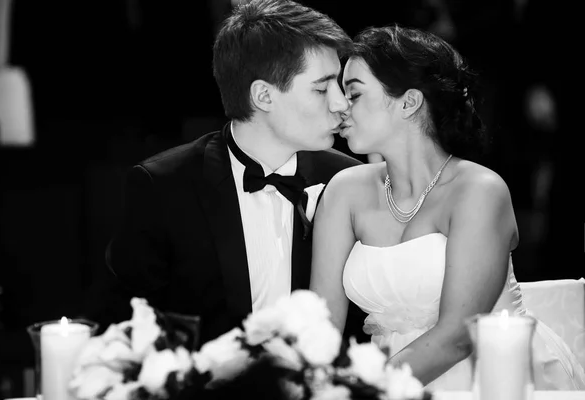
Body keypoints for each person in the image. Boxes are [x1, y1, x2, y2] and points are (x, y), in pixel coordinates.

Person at [309, 24, 585, 391]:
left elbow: (457, 335)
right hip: (387, 381)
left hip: (494, 378)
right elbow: (320, 324)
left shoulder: (479, 191)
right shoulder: (345, 191)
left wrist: (359, 390)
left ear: (409, 102)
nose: (340, 106)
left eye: (354, 93)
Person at [100, 0, 363, 347]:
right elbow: (123, 326)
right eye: (321, 88)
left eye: (340, 86)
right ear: (263, 96)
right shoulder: (164, 186)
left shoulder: (348, 181)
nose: (342, 103)